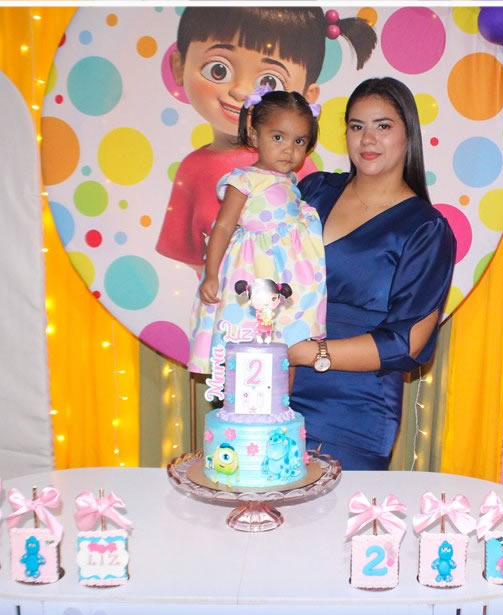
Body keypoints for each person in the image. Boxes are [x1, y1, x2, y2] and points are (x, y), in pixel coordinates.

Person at [288, 77, 457, 470]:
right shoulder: (314, 190)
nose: (368, 139)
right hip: (273, 387)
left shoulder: (426, 228)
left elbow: (407, 342)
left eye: (383, 126)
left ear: (408, 134)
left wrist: (307, 353)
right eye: (356, 126)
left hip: (352, 410)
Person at [156, 7, 377, 268]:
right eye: (218, 70)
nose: (240, 92)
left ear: (306, 96)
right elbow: (190, 255)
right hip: (227, 292)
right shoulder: (193, 169)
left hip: (289, 289)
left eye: (269, 82)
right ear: (179, 66)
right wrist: (217, 280)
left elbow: (316, 240)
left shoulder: (295, 164)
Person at [187, 90, 326, 374]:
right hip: (251, 273)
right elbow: (224, 226)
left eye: (299, 141)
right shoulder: (244, 179)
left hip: (284, 278)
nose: (289, 149)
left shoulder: (291, 183)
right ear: (254, 135)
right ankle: (242, 393)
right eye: (278, 137)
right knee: (247, 339)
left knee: (283, 345)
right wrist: (211, 274)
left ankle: (279, 396)